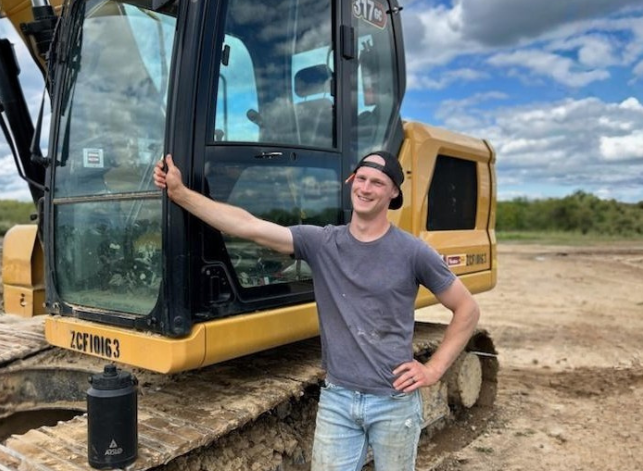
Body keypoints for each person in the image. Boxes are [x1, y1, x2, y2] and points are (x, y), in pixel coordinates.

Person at [153, 150, 480, 471]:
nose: (366, 188)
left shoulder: (412, 252)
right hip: (338, 399)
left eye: (378, 183)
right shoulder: (322, 243)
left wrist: (434, 369)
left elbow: (466, 309)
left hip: (393, 402)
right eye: (361, 179)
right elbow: (247, 225)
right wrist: (180, 194)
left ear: (394, 192)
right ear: (351, 181)